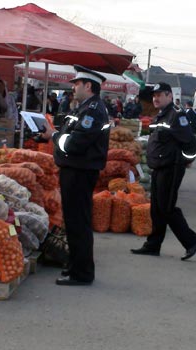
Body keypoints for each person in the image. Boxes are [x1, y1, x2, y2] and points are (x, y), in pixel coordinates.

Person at [39, 65, 110, 285]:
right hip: (75, 170)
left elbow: (76, 143)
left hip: (80, 171)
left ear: (88, 86)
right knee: (73, 221)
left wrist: (54, 136)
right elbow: (70, 134)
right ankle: (75, 266)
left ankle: (82, 272)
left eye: (77, 84)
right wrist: (52, 135)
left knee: (78, 221)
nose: (74, 88)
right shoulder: (84, 108)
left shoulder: (93, 110)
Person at [130, 82, 196, 261]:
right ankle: (153, 245)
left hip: (171, 168)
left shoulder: (177, 116)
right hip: (159, 167)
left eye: (160, 95)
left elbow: (191, 143)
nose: (156, 98)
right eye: (154, 95)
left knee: (167, 207)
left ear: (170, 96)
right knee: (157, 208)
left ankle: (191, 241)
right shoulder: (161, 115)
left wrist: (186, 161)